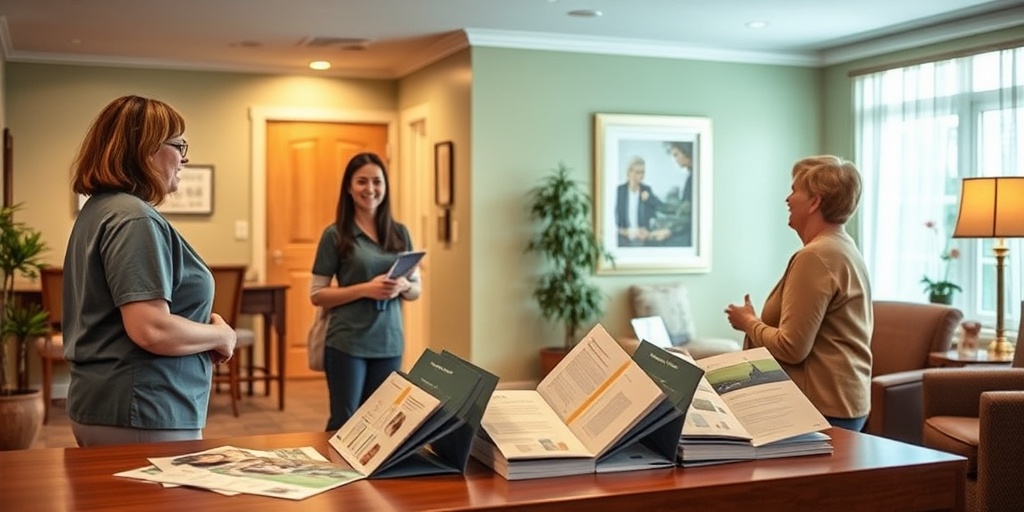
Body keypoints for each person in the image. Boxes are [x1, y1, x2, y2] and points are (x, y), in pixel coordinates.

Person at [63, 95, 237, 447]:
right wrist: (221, 336)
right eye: (179, 145)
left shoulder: (101, 210)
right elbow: (152, 329)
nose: (185, 157)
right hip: (144, 408)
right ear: (146, 150)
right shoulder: (134, 217)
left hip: (116, 404)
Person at [724, 155, 872, 431]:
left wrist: (747, 323)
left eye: (794, 190)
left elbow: (791, 348)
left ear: (814, 202)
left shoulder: (815, 256)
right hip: (844, 403)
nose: (788, 199)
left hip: (822, 408)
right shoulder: (843, 246)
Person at [310, 152, 422, 432]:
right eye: (362, 182)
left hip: (389, 341)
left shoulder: (400, 233)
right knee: (345, 422)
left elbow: (415, 291)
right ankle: (335, 475)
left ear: (385, 186)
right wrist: (366, 289)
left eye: (377, 181)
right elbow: (317, 294)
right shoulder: (335, 235)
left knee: (382, 423)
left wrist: (403, 285)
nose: (370, 189)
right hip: (348, 342)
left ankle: (372, 477)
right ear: (349, 187)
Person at [614, 156, 668, 246]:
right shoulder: (619, 191)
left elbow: (661, 207)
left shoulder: (646, 190)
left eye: (643, 172)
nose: (641, 175)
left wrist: (649, 199)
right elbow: (612, 218)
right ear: (629, 172)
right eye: (637, 172)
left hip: (643, 240)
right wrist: (624, 232)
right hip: (623, 239)